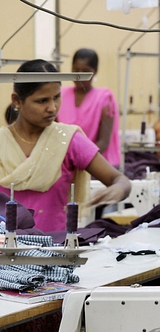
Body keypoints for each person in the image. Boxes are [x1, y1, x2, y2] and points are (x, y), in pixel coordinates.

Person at [0, 59, 131, 232]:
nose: (52, 108)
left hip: (56, 251)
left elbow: (120, 180)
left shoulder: (68, 140)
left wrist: (118, 189)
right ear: (17, 100)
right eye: (42, 101)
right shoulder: (2, 142)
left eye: (56, 97)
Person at [57, 48, 121, 168]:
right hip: (66, 165)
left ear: (95, 71)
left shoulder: (105, 98)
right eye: (76, 70)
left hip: (99, 165)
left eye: (85, 71)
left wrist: (81, 161)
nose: (79, 75)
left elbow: (104, 142)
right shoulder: (60, 95)